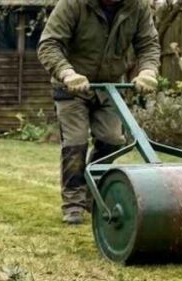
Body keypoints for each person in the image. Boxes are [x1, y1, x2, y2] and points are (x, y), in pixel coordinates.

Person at [38, 0, 161, 224]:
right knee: (75, 143)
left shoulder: (137, 7)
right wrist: (66, 73)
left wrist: (148, 71)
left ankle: (89, 193)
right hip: (72, 86)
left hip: (109, 86)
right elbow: (49, 44)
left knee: (112, 140)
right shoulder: (73, 4)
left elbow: (148, 44)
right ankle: (73, 203)